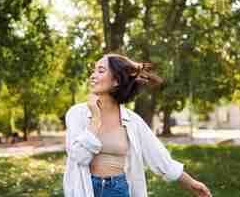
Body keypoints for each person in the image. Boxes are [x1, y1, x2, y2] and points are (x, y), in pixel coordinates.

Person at [63, 53, 212, 197]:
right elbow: (79, 156)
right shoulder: (77, 114)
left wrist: (191, 183)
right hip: (85, 189)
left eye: (100, 70)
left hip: (117, 190)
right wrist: (95, 119)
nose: (92, 76)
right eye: (93, 70)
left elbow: (159, 157)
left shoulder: (133, 121)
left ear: (116, 81)